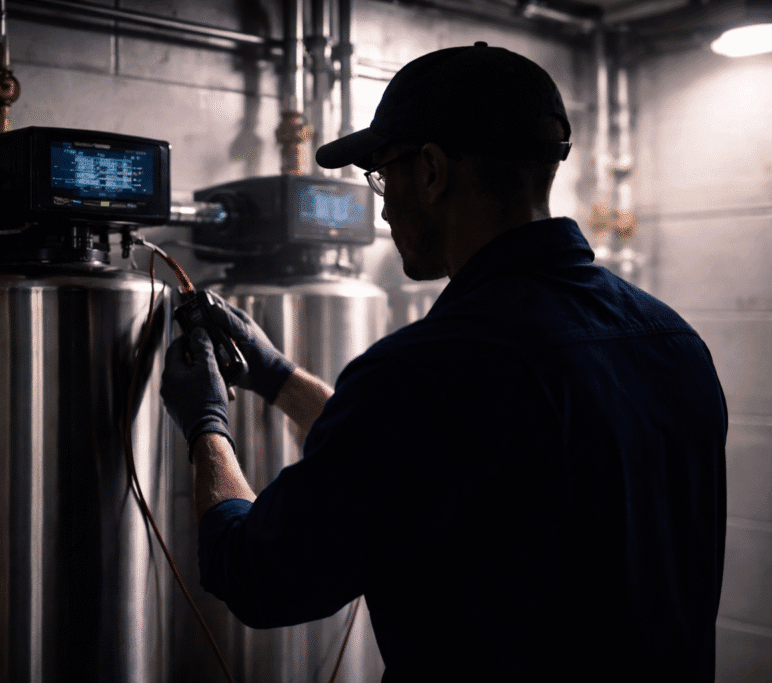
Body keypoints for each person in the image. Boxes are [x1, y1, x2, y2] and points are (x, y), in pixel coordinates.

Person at [161, 42, 727, 682]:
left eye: (384, 174)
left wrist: (207, 423)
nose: (382, 205)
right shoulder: (672, 342)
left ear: (430, 171)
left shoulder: (430, 370)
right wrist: (276, 376)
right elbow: (424, 461)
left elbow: (259, 574)